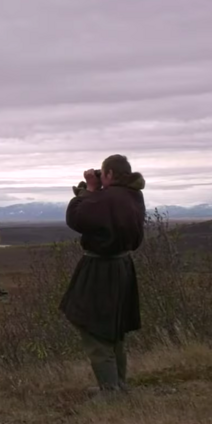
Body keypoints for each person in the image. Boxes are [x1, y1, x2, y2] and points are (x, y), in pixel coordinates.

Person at [59, 154, 146, 395]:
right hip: (122, 267)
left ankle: (110, 392)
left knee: (95, 328)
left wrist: (90, 189)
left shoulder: (107, 198)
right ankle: (118, 384)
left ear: (108, 174)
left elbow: (76, 217)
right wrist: (96, 191)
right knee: (114, 329)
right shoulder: (134, 195)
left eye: (103, 173)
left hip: (101, 270)